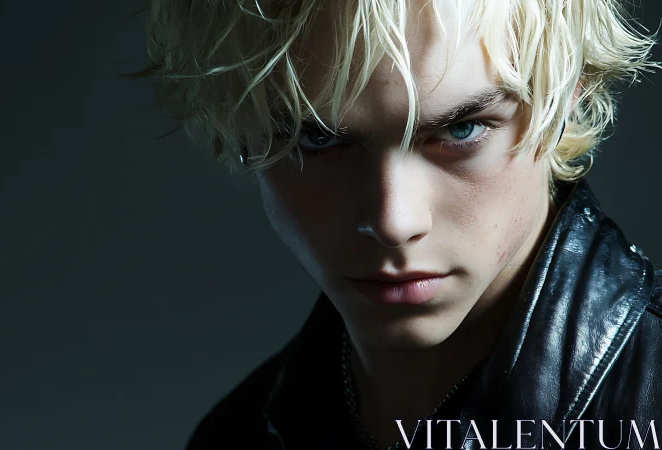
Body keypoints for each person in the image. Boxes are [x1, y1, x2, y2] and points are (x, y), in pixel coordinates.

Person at [130, 0, 662, 448]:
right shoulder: (239, 434)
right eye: (318, 140)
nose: (393, 222)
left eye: (462, 130)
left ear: (568, 94)